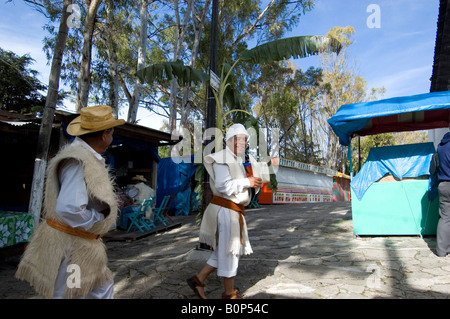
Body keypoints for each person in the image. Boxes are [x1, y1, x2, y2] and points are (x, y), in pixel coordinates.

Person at [15, 104, 125, 298]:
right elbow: (69, 208)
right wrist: (97, 217)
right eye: (112, 132)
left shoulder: (85, 156)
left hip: (83, 246)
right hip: (72, 248)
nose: (112, 137)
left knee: (101, 288)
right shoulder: (77, 160)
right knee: (71, 293)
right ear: (104, 135)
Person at [187, 123, 262, 299]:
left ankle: (198, 279)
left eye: (245, 140)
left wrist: (253, 182)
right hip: (227, 210)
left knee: (223, 250)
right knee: (230, 251)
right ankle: (229, 294)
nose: (243, 143)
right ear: (230, 141)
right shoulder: (222, 158)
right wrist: (247, 182)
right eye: (240, 139)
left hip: (233, 211)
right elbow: (223, 185)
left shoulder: (236, 160)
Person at [431, 132, 450, 257]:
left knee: (445, 217)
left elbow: (433, 168)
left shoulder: (440, 146)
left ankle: (442, 251)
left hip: (443, 184)